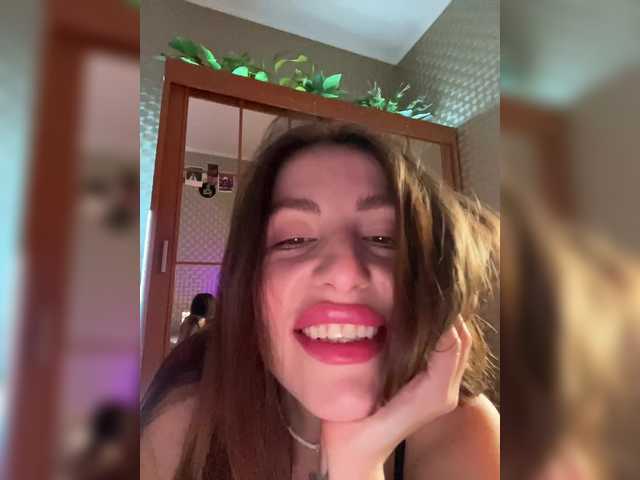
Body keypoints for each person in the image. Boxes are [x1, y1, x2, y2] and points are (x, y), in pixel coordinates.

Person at [141, 122, 500, 479]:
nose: (345, 272)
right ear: (247, 287)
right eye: (294, 239)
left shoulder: (467, 435)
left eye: (383, 237)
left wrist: (357, 466)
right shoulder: (181, 424)